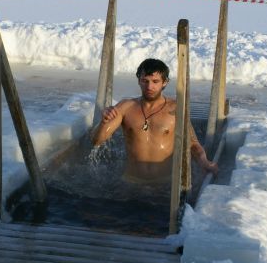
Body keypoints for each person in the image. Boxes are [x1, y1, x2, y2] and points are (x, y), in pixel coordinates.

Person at [91, 58, 219, 184]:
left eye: (155, 81)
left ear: (165, 82)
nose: (149, 86)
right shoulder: (125, 107)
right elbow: (97, 141)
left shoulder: (175, 109)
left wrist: (204, 162)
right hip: (131, 182)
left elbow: (192, 143)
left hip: (164, 184)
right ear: (139, 81)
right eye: (145, 81)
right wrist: (104, 122)